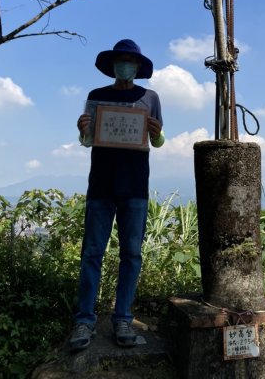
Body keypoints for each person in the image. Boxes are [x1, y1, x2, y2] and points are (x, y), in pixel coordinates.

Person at [69, 39, 164, 351]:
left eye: (131, 61)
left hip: (135, 186)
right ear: (113, 66)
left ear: (138, 67)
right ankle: (84, 320)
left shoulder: (150, 97)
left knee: (132, 255)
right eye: (121, 61)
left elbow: (159, 140)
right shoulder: (96, 97)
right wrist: (83, 128)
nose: (126, 66)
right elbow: (87, 140)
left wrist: (156, 132)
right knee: (91, 254)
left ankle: (122, 317)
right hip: (101, 184)